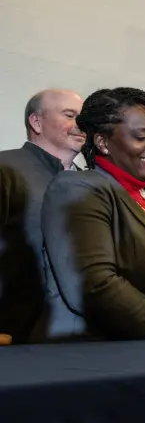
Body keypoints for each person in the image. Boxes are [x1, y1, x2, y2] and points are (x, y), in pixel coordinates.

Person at [36, 88, 145, 341]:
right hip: (106, 362)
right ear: (103, 142)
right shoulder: (76, 188)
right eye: (142, 136)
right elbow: (95, 286)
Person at [0, 89, 84, 343]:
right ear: (36, 122)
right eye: (70, 115)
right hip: (15, 335)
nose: (80, 125)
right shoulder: (5, 169)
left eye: (84, 117)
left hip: (81, 339)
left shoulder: (92, 183)